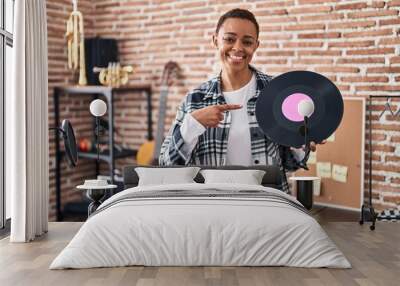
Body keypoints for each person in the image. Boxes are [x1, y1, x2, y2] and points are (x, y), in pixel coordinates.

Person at [159, 8, 322, 193]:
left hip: (266, 202)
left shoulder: (278, 93)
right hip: (213, 205)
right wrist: (192, 125)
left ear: (256, 46)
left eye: (247, 41)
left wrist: (301, 144)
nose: (238, 47)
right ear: (215, 41)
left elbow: (291, 164)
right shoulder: (194, 100)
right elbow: (167, 164)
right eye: (229, 39)